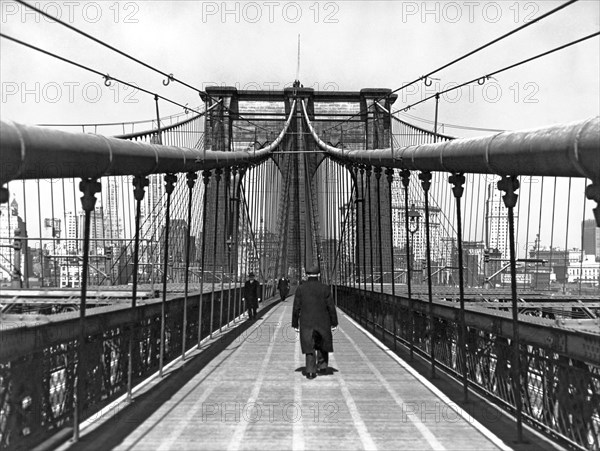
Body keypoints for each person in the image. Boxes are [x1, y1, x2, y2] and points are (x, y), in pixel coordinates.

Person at [291, 265, 338, 379]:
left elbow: (296, 307)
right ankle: (322, 366)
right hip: (323, 321)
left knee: (309, 345)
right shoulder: (325, 288)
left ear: (307, 275)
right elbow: (331, 307)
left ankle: (310, 371)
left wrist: (295, 323)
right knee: (322, 342)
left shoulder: (301, 289)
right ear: (319, 275)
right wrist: (334, 322)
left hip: (307, 322)